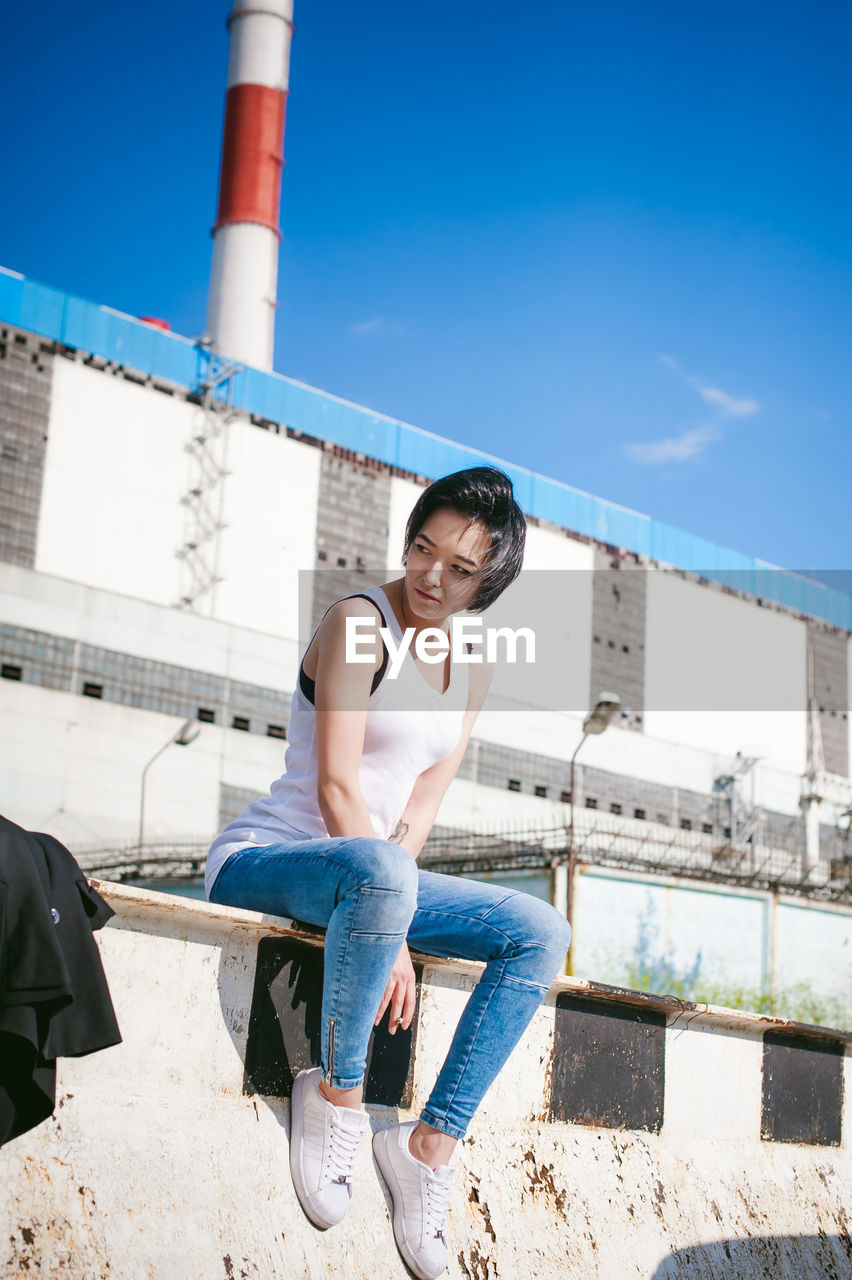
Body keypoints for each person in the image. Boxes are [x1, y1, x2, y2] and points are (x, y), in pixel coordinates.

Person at [205, 467, 571, 1280]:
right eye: (421, 548)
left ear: (490, 582)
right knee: (382, 871)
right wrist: (393, 922)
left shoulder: (473, 670)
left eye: (461, 568)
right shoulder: (358, 621)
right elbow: (337, 784)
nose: (431, 576)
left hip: (375, 877)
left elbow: (418, 812)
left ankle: (426, 1146)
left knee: (540, 930)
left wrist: (390, 906)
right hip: (270, 859)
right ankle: (336, 1097)